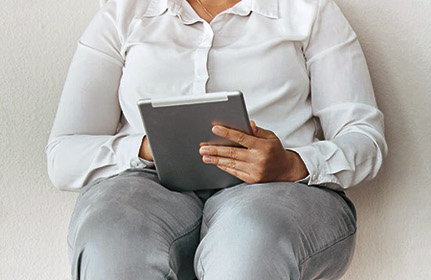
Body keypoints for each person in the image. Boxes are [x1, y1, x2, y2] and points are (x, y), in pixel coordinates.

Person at [48, 0, 385, 278]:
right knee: (113, 237)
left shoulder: (309, 11)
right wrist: (148, 148)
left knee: (249, 239)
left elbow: (365, 139)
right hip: (147, 184)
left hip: (277, 190)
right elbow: (64, 156)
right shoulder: (126, 12)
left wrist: (293, 164)